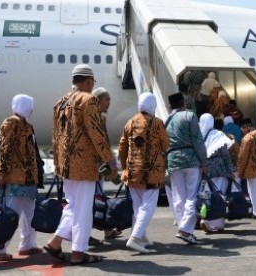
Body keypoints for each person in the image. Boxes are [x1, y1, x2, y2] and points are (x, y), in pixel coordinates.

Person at [45, 64, 117, 265]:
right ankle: (78, 252)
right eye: (93, 81)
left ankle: (55, 242)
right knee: (83, 210)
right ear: (88, 81)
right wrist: (109, 160)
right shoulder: (88, 99)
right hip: (84, 165)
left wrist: (58, 164)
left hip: (66, 165)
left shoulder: (60, 102)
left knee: (73, 206)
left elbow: (55, 137)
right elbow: (97, 133)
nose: (93, 85)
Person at [0, 94, 42, 261]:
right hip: (15, 177)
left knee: (30, 215)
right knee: (10, 214)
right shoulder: (11, 123)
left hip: (29, 178)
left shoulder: (29, 126)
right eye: (30, 105)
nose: (32, 109)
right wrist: (1, 173)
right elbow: (5, 150)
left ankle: (28, 245)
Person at [119, 92, 169, 253]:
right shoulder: (157, 123)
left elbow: (122, 147)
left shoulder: (130, 122)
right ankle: (134, 238)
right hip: (151, 173)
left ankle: (141, 237)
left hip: (133, 172)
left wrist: (125, 167)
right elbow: (165, 145)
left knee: (138, 206)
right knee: (148, 206)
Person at [165, 92, 207, 245]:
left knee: (178, 197)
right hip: (190, 159)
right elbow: (198, 141)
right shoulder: (190, 116)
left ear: (170, 105)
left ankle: (185, 229)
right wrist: (204, 161)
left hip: (173, 160)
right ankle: (185, 230)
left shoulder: (167, 120)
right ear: (183, 103)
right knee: (192, 195)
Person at [89, 87, 122, 244]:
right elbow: (101, 144)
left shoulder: (100, 118)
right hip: (92, 167)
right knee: (91, 200)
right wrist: (112, 165)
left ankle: (107, 230)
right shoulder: (93, 118)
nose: (109, 102)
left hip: (100, 166)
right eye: (106, 99)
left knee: (99, 197)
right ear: (98, 100)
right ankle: (84, 235)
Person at [198, 113, 235, 233]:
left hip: (205, 170)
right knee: (220, 197)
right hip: (220, 169)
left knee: (207, 196)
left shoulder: (198, 136)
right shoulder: (218, 134)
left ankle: (205, 219)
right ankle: (217, 224)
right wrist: (231, 170)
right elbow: (225, 154)